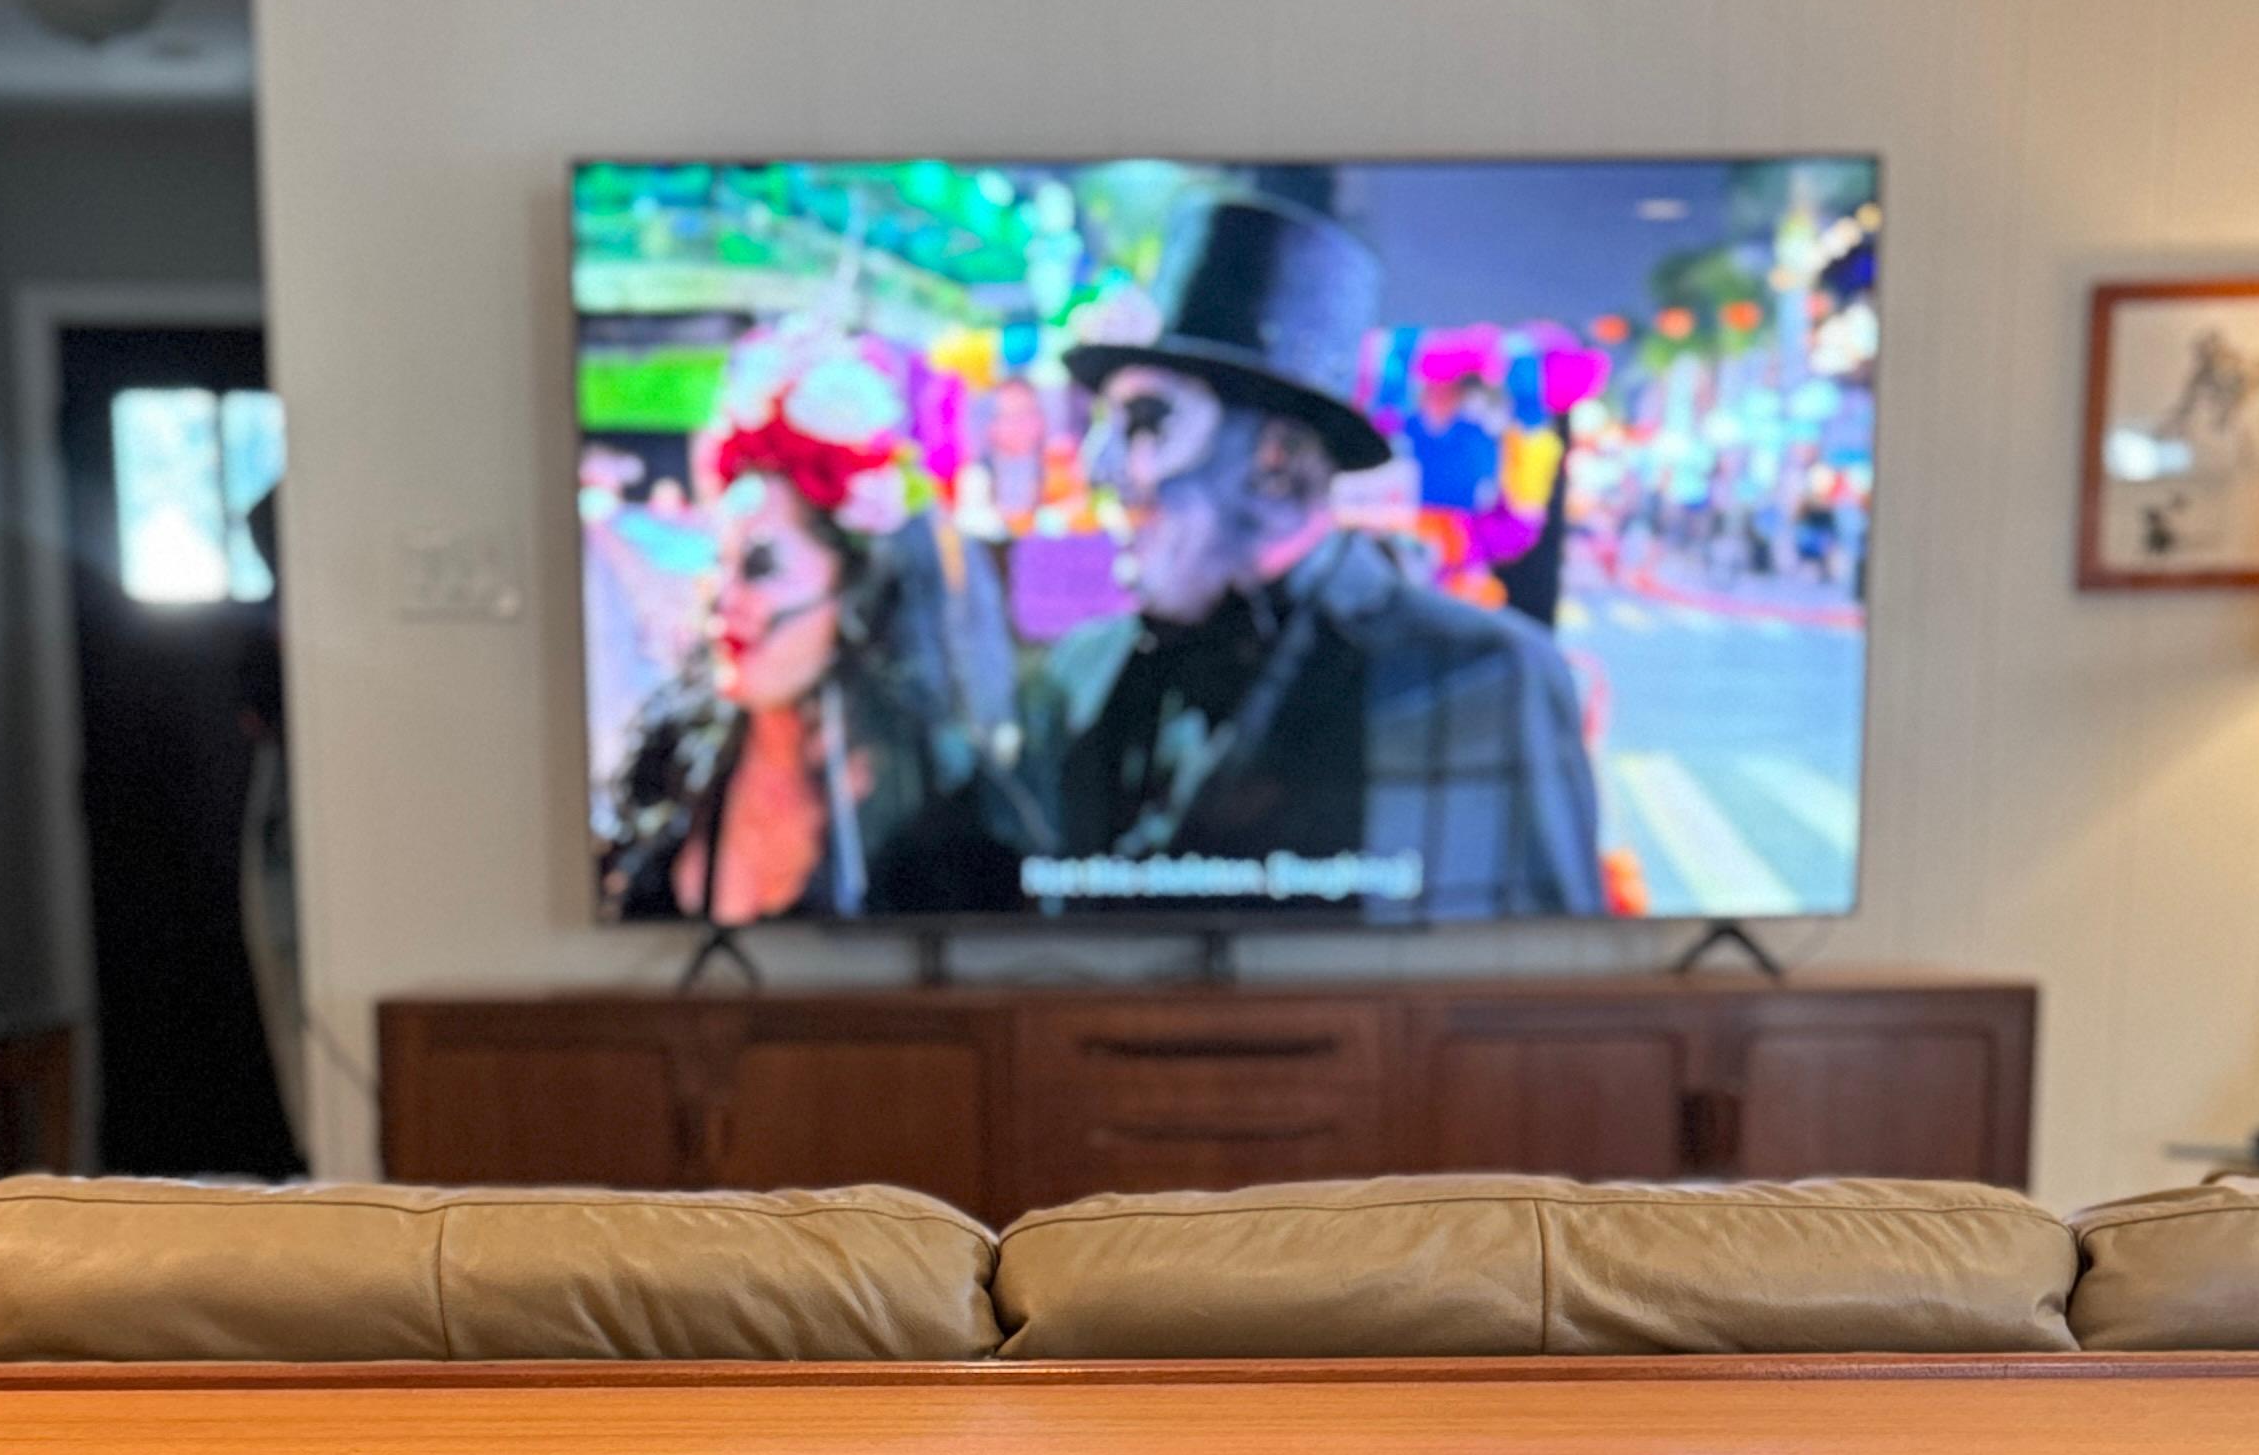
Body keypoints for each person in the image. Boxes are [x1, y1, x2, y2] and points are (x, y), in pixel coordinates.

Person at [1027, 193, 1604, 920]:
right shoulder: (1077, 672)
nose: (1101, 468)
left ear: (1274, 459)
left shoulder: (1486, 678)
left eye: (1147, 423)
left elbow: (1554, 971)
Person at [601, 372, 1026, 925]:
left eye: (759, 566)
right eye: (718, 563)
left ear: (856, 590)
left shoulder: (941, 796)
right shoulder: (667, 756)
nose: (725, 600)